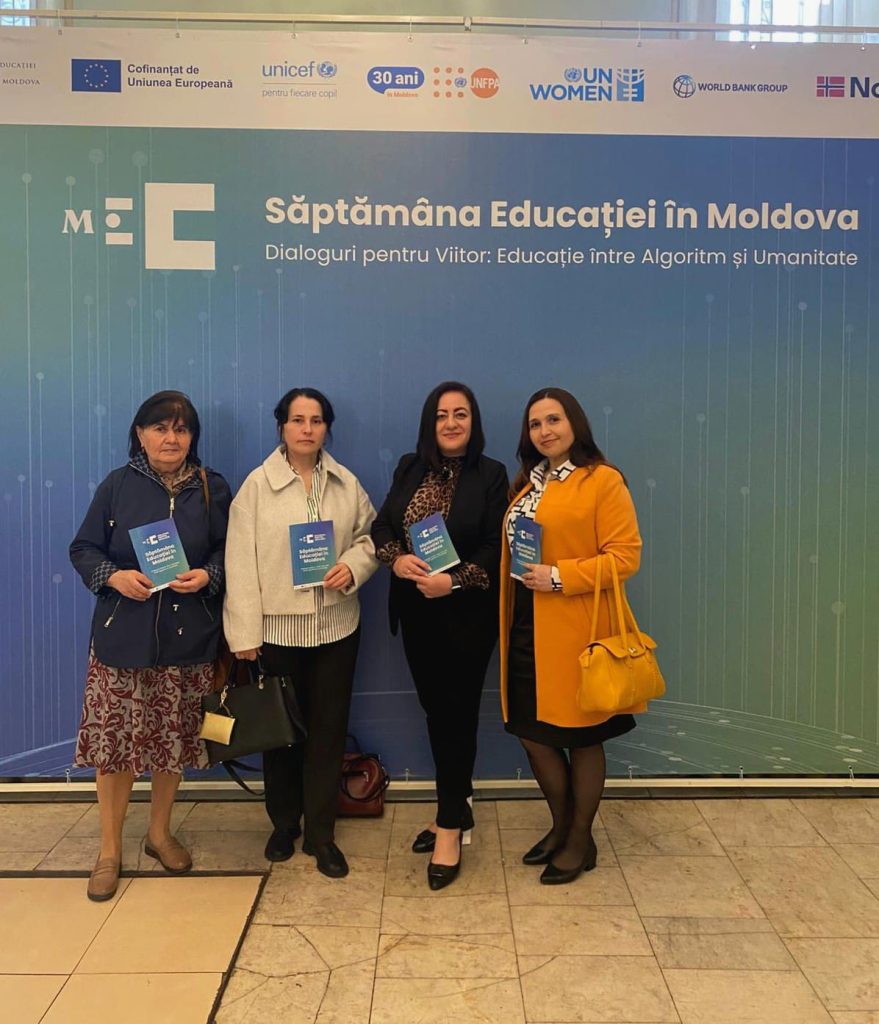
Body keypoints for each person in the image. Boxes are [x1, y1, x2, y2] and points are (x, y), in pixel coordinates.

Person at [70, 390, 231, 901]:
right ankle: (109, 850)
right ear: (140, 434)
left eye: (181, 429)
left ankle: (159, 834)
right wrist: (114, 577)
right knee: (115, 750)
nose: (171, 438)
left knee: (171, 744)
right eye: (160, 428)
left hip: (187, 639)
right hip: (123, 638)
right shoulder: (117, 486)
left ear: (192, 437)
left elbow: (229, 552)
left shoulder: (211, 487)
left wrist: (208, 575)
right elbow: (83, 548)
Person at [223, 387, 378, 879]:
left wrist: (353, 567)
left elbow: (371, 538)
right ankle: (284, 825)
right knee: (281, 737)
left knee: (328, 734)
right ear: (282, 427)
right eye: (297, 420)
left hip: (336, 630)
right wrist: (244, 635)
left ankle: (321, 835)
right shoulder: (256, 487)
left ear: (326, 427)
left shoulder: (346, 483)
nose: (307, 429)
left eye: (316, 420)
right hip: (277, 634)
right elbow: (239, 563)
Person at [501, 387, 647, 885]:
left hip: (574, 629)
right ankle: (564, 826)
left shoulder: (602, 480)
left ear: (575, 424)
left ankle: (579, 839)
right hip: (526, 625)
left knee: (582, 737)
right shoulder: (528, 484)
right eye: (535, 424)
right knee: (532, 732)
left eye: (554, 420)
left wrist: (561, 576)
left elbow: (625, 557)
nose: (545, 431)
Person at [372, 382, 509, 890]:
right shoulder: (410, 467)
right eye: (442, 415)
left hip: (466, 616)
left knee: (457, 716)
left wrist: (453, 581)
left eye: (461, 414)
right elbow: (382, 527)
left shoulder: (491, 474)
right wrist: (396, 559)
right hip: (417, 614)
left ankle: (450, 826)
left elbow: (496, 547)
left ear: (474, 422)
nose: (451, 423)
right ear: (430, 423)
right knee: (437, 712)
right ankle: (453, 807)